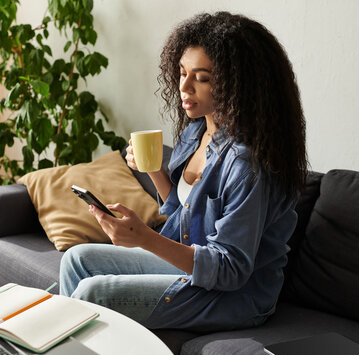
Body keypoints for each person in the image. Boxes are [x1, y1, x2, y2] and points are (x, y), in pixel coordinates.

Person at [59, 11, 307, 331]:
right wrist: (154, 171)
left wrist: (144, 239)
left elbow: (230, 270)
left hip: (234, 296)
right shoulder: (196, 133)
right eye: (181, 72)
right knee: (75, 260)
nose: (184, 86)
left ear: (238, 85)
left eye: (201, 78)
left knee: (94, 293)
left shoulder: (246, 166)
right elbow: (180, 212)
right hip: (190, 267)